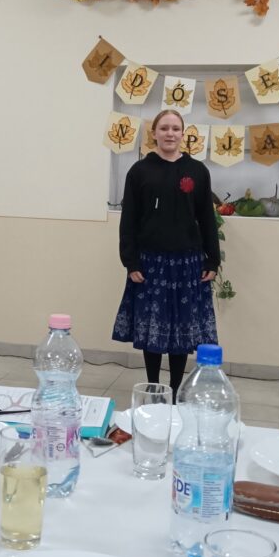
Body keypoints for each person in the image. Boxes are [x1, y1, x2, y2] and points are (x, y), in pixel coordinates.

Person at [112, 109, 221, 396]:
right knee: (153, 327)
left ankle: (174, 388)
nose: (170, 134)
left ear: (183, 134)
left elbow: (206, 219)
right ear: (155, 134)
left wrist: (212, 259)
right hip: (151, 262)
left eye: (175, 128)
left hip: (188, 262)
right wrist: (130, 261)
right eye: (164, 128)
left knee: (181, 330)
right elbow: (129, 220)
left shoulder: (198, 171)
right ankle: (154, 386)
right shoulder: (139, 171)